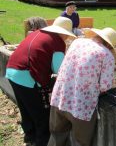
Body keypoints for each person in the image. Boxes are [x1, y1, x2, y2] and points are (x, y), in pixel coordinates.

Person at [5, 17, 76, 146]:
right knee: (41, 115)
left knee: (25, 109)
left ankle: (29, 136)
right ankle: (41, 142)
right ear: (63, 33)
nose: (66, 38)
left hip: (12, 71)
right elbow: (59, 69)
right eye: (66, 35)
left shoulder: (38, 33)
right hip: (27, 76)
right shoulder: (57, 42)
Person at [47, 27, 116, 146]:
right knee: (80, 142)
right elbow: (105, 86)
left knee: (57, 135)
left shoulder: (77, 42)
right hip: (81, 107)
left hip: (60, 98)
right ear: (109, 45)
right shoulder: (106, 55)